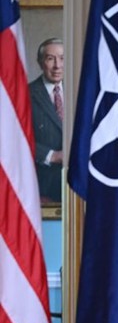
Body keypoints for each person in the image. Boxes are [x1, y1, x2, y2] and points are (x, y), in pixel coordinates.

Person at [29, 37, 65, 203]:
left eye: (62, 58)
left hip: (78, 186)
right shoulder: (25, 94)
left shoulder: (79, 91)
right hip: (41, 187)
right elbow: (14, 140)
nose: (58, 65)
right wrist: (53, 156)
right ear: (40, 62)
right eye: (51, 59)